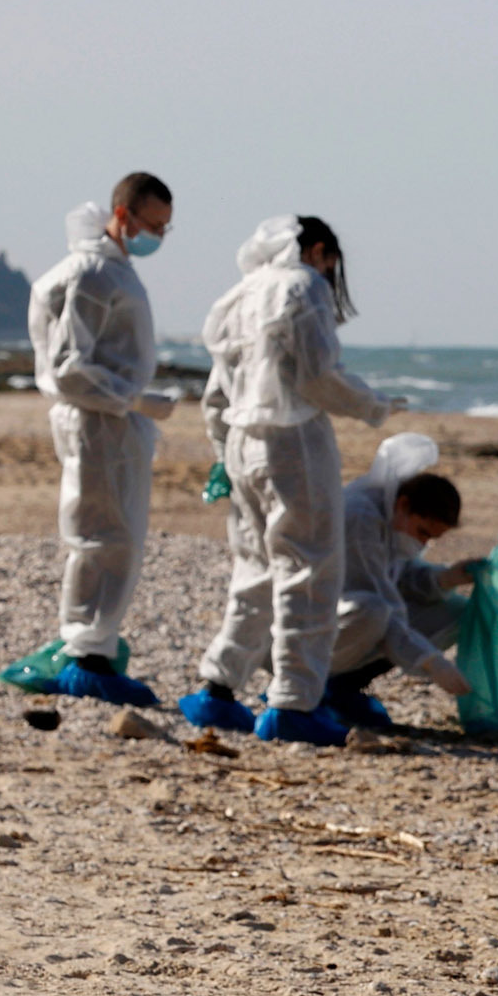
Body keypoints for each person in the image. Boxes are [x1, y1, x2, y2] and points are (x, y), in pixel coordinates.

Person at [178, 216, 404, 746]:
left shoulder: (240, 293)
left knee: (256, 565)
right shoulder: (302, 286)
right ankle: (294, 700)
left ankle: (218, 685)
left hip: (241, 442)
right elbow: (316, 375)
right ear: (318, 250)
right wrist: (373, 405)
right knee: (309, 569)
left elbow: (218, 391)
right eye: (331, 262)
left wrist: (221, 453)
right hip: (292, 441)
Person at [24, 171, 178, 707]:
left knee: (115, 532)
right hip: (98, 420)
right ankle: (85, 651)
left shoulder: (110, 270)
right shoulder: (93, 273)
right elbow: (69, 365)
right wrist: (133, 399)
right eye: (151, 225)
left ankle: (94, 641)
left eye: (165, 228)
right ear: (122, 215)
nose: (156, 236)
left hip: (108, 416)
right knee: (103, 534)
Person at [323, 432, 475, 730]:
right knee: (375, 612)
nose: (422, 543)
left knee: (456, 610)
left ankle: (344, 687)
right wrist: (431, 661)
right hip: (314, 628)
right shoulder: (360, 518)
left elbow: (399, 576)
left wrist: (444, 578)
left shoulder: (391, 516)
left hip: (353, 618)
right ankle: (317, 686)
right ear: (405, 505)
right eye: (423, 533)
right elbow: (376, 601)